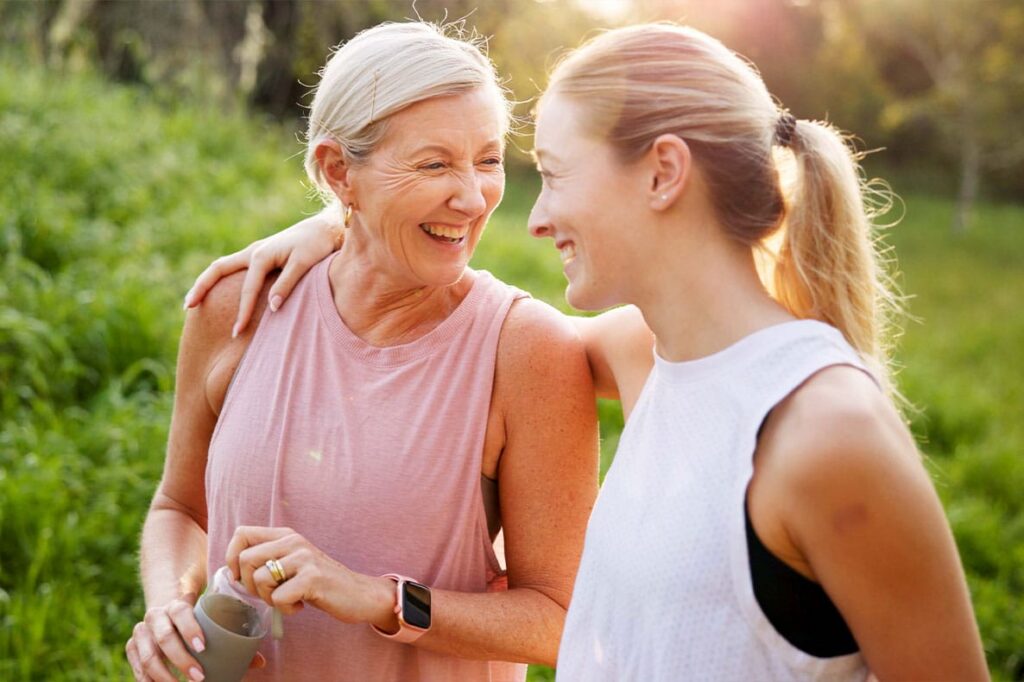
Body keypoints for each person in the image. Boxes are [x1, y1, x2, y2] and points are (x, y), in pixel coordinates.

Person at [185, 22, 990, 682]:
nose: (532, 218)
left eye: (557, 176)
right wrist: (342, 221)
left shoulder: (824, 437)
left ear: (663, 173)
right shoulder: (651, 354)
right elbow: (440, 326)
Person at [125, 21, 599, 682]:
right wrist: (168, 606)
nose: (472, 197)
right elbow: (179, 509)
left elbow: (562, 618)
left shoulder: (526, 349)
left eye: (487, 159)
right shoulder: (236, 306)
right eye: (434, 163)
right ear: (337, 170)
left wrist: (380, 598)